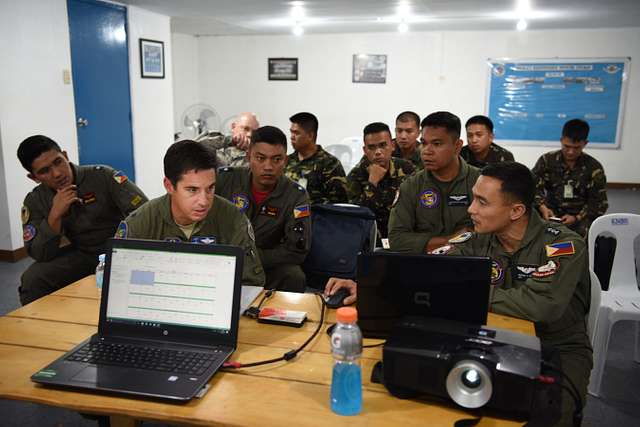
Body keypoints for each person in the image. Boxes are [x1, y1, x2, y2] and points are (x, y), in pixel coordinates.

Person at [17, 135, 148, 305]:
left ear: (65, 155)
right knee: (33, 279)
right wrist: (54, 216)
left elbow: (144, 214)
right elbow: (39, 253)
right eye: (44, 171)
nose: (57, 173)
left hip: (119, 250)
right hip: (81, 256)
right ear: (34, 177)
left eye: (58, 162)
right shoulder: (35, 200)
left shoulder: (103, 176)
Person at [116, 140, 264, 287]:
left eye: (210, 188)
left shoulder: (233, 220)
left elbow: (250, 285)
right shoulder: (140, 224)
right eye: (192, 190)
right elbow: (120, 282)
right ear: (169, 186)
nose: (204, 201)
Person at [216, 126, 312, 292]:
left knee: (294, 275)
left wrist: (249, 258)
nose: (268, 166)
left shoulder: (296, 196)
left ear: (285, 161)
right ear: (248, 157)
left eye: (276, 159)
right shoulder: (225, 180)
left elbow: (296, 251)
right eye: (260, 158)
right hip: (222, 261)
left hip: (264, 266)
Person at [388, 111, 480, 253]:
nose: (426, 151)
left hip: (468, 266)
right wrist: (450, 240)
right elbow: (397, 240)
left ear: (457, 146)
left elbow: (492, 236)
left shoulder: (480, 183)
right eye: (424, 143)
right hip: (422, 267)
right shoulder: (411, 186)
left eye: (437, 144)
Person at [532, 118, 608, 237]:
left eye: (576, 147)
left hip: (580, 217)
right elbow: (532, 187)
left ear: (585, 143)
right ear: (561, 140)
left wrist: (577, 217)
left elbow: (599, 202)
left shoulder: (593, 167)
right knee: (533, 232)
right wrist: (542, 206)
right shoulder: (547, 161)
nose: (571, 152)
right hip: (549, 212)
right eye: (566, 146)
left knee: (579, 240)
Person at [347, 122, 415, 243]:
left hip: (404, 238)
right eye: (372, 147)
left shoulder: (407, 168)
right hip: (369, 240)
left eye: (383, 145)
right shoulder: (355, 176)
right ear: (365, 150)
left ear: (393, 145)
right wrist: (372, 183)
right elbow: (357, 217)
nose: (378, 152)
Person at [284, 112, 348, 204]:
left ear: (310, 136)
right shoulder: (287, 161)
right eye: (291, 132)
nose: (292, 137)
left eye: (296, 133)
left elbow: (339, 204)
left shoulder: (330, 164)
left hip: (316, 216)